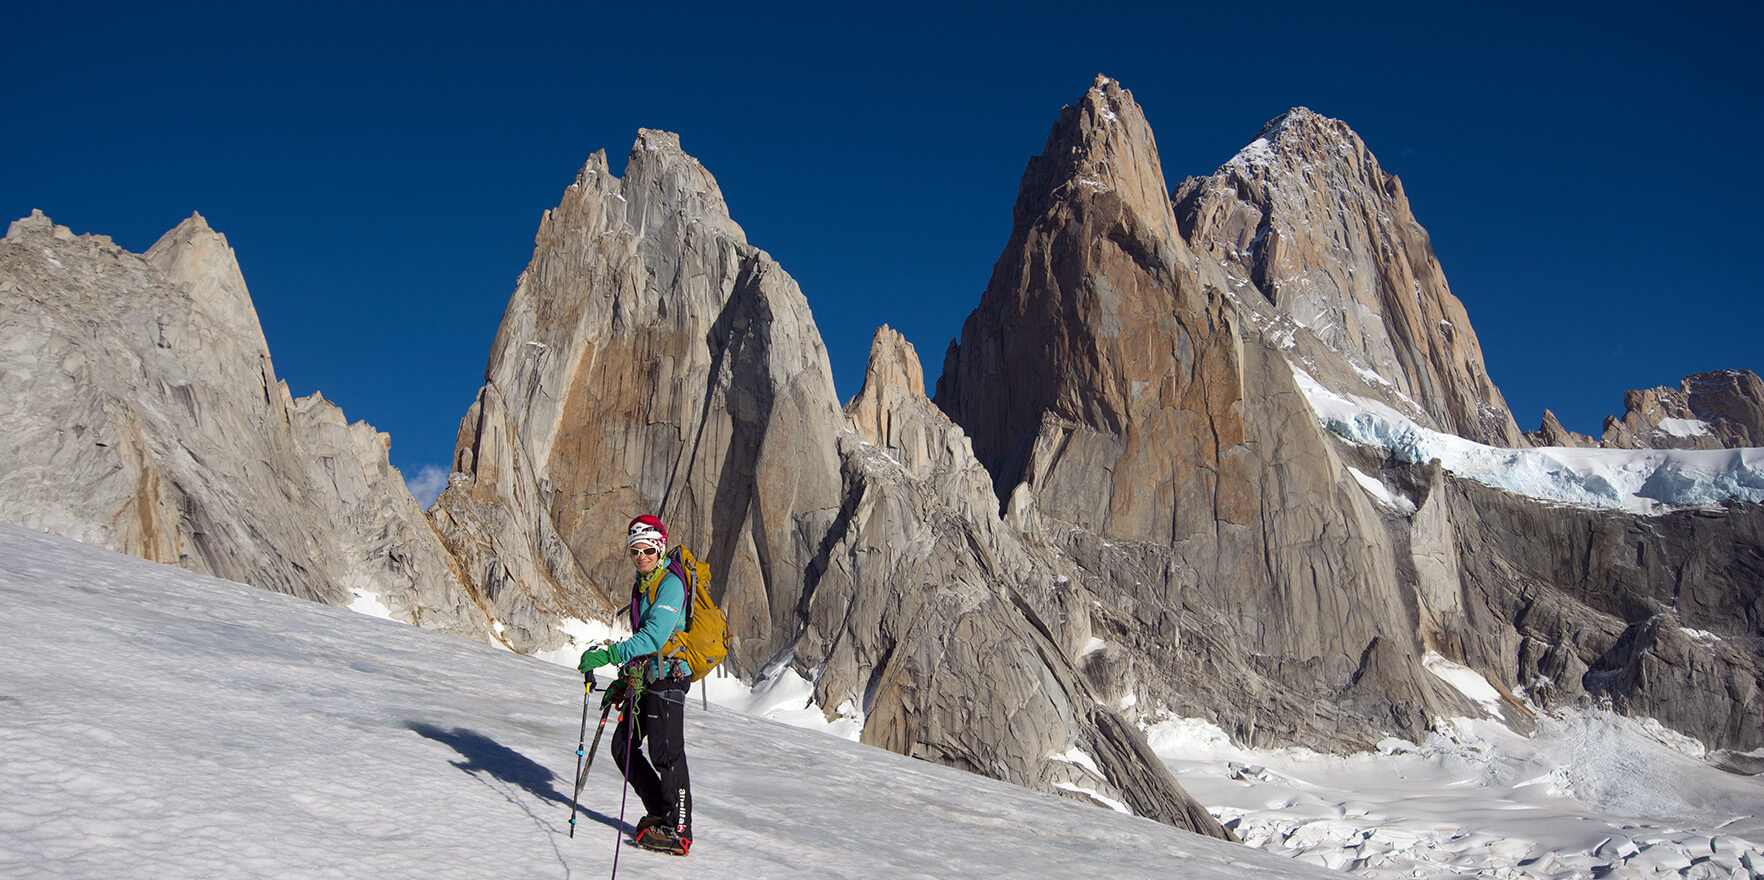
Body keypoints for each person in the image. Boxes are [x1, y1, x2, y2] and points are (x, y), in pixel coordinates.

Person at [577, 514, 694, 856]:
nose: (641, 556)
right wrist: (624, 676)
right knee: (623, 746)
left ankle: (679, 830)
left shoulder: (670, 583)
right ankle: (660, 810)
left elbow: (655, 636)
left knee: (667, 755)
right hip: (646, 678)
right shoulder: (643, 585)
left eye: (647, 550)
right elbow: (645, 643)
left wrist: (611, 654)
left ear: (659, 549)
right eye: (635, 551)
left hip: (669, 678)